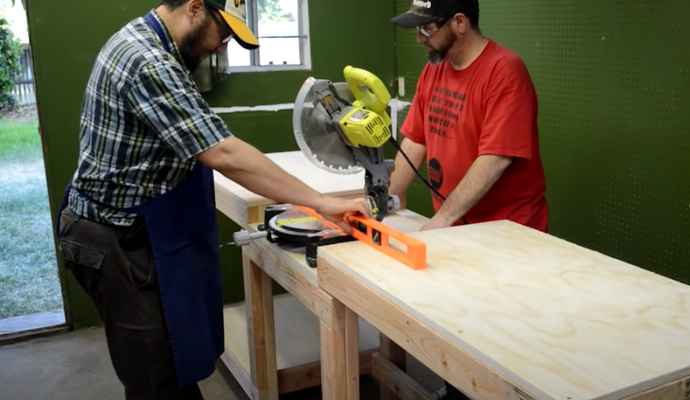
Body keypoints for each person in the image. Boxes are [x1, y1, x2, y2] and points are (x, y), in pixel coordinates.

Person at [56, 0, 367, 399]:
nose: (222, 46)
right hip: (112, 240)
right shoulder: (149, 61)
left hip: (131, 229)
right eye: (223, 32)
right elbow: (222, 153)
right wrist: (321, 202)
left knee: (172, 364)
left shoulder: (154, 43)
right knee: (155, 379)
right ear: (195, 8)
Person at [390, 0, 548, 234]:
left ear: (460, 23)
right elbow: (415, 140)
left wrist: (442, 220)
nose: (420, 38)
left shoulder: (505, 71)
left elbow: (494, 160)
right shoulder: (434, 69)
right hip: (457, 227)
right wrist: (387, 197)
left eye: (427, 29)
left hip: (508, 232)